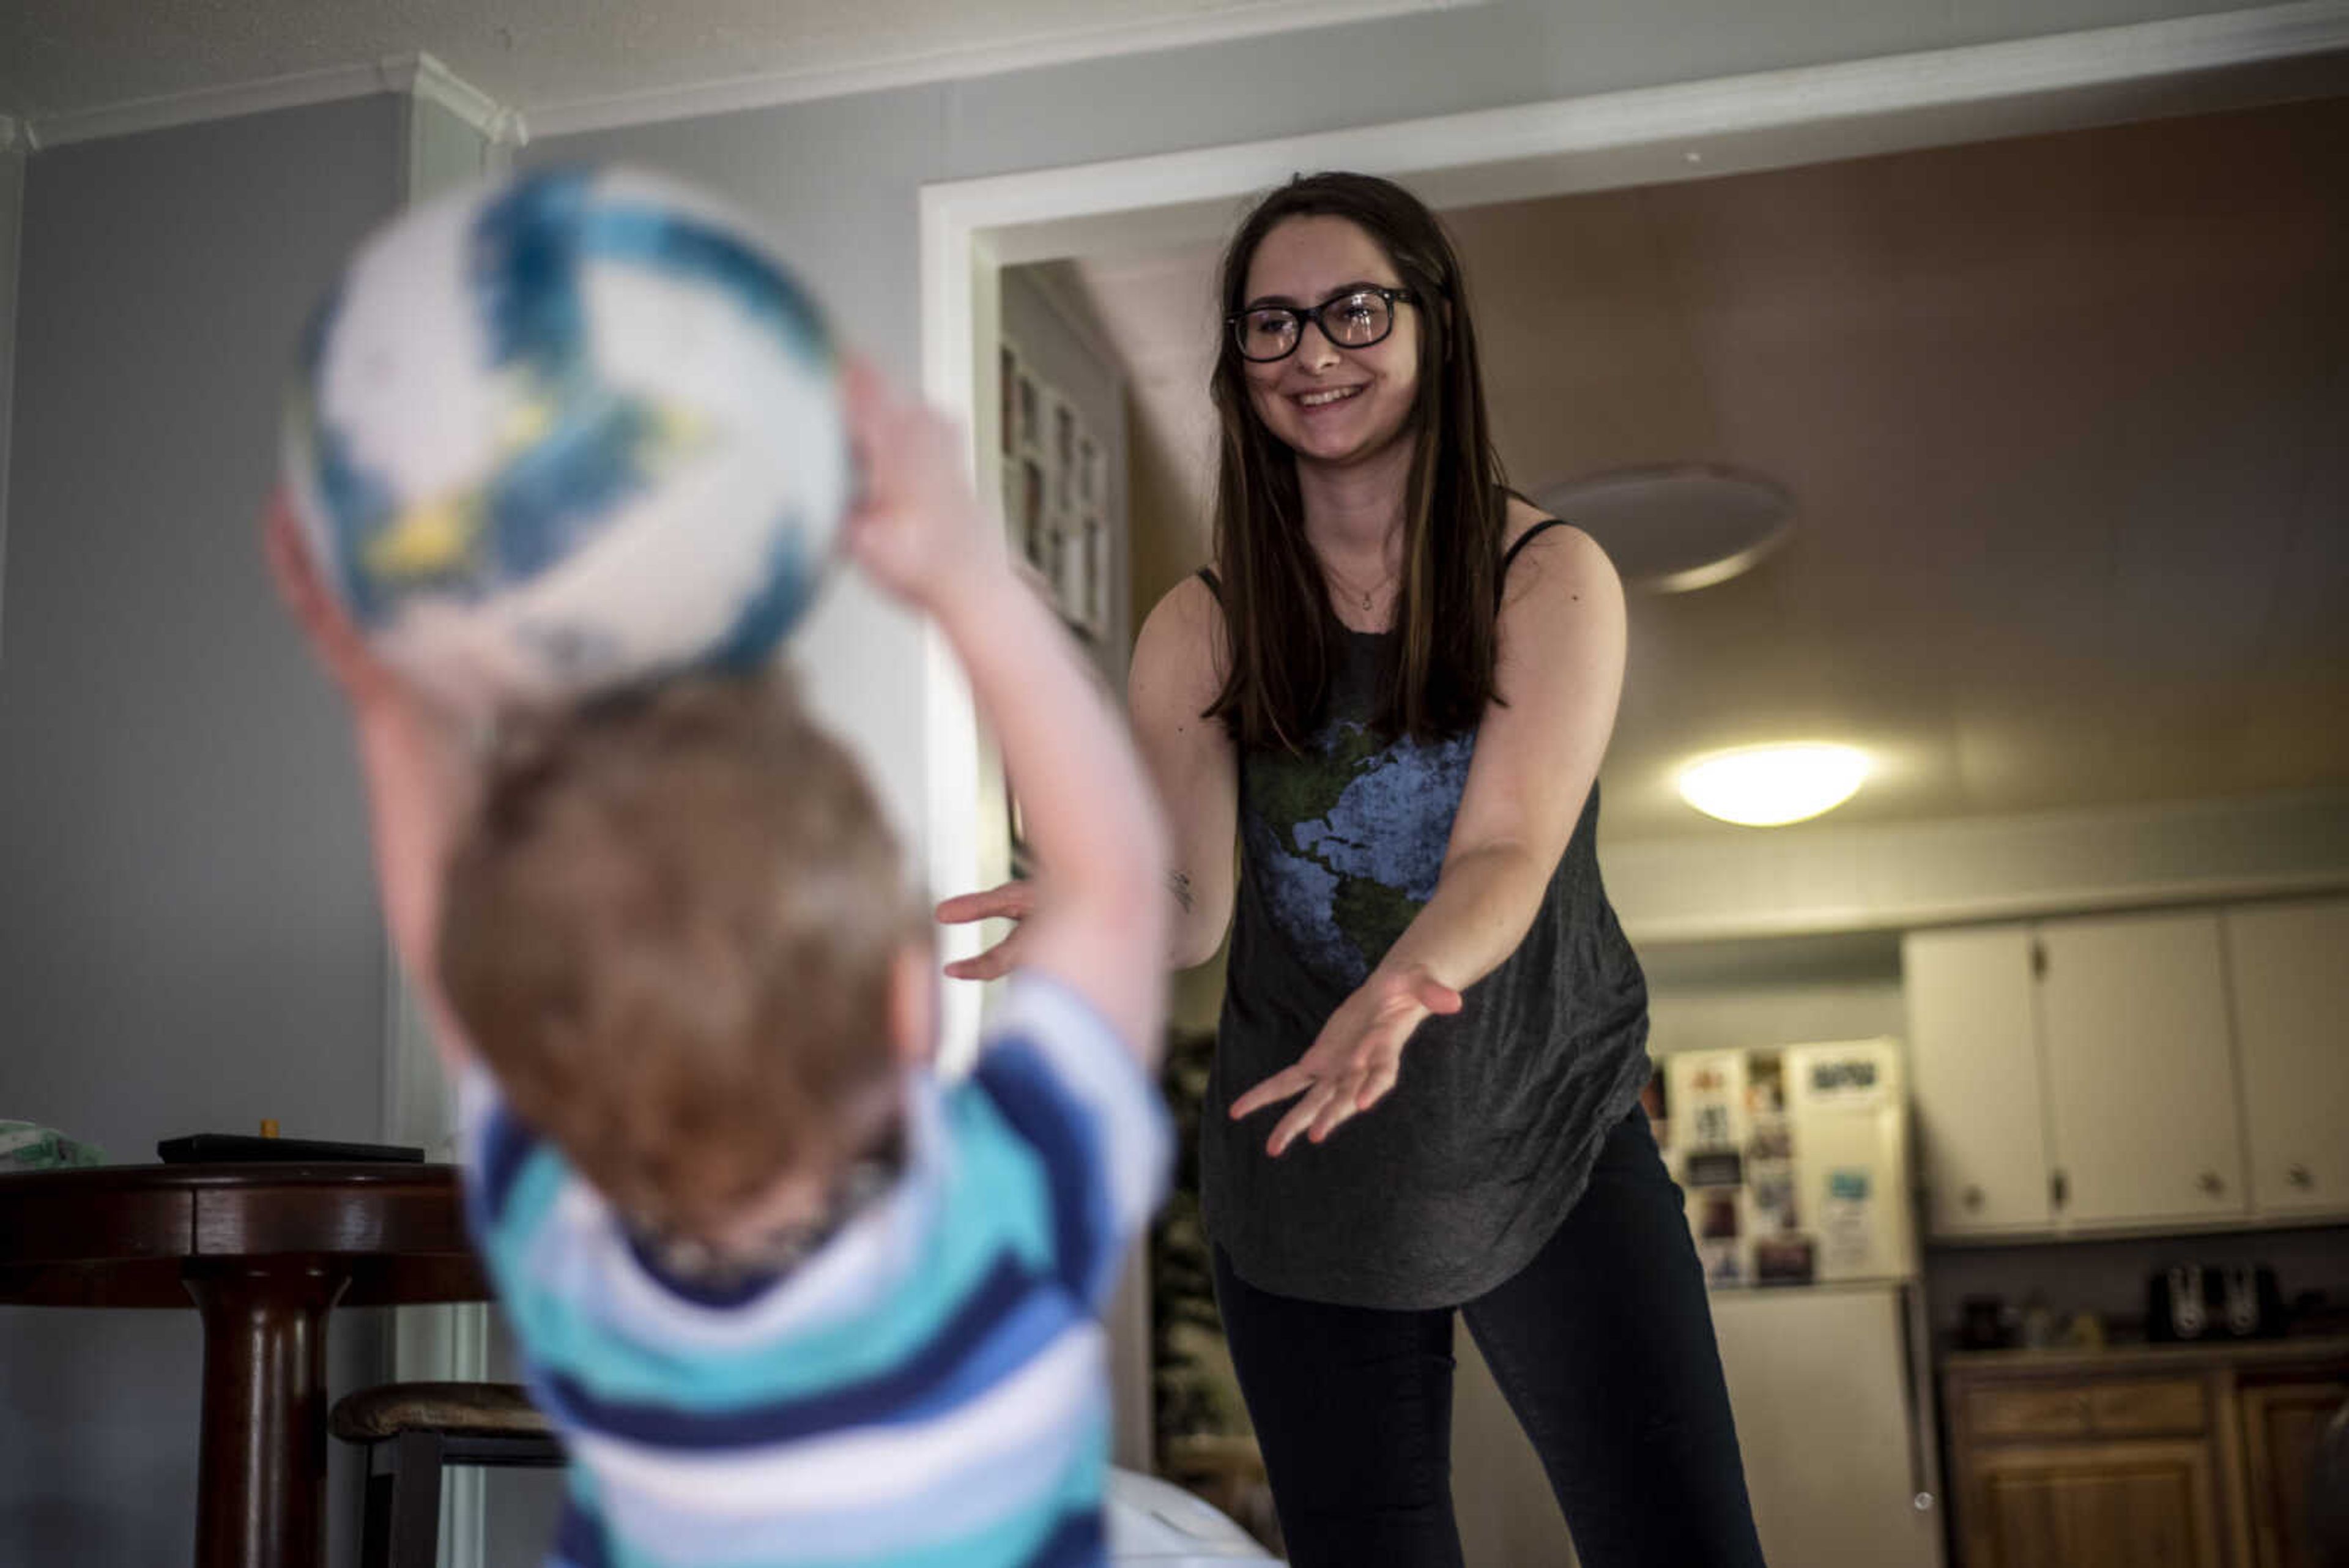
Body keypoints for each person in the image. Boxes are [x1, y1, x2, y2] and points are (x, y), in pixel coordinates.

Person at [943, 173, 1767, 1567]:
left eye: (1352, 311)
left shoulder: (1548, 579)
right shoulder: (1201, 630)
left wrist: (1409, 981)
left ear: (1433, 326)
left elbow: (1506, 846)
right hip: (1304, 1175)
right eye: (1271, 325)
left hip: (1547, 1133)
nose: (1312, 352)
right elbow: (1196, 909)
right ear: (1235, 362)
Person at [269, 359, 1174, 1567]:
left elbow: (460, 971)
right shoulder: (996, 1219)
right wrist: (969, 575)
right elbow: (1119, 885)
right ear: (915, 1001)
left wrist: (391, 705)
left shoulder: (569, 1266)